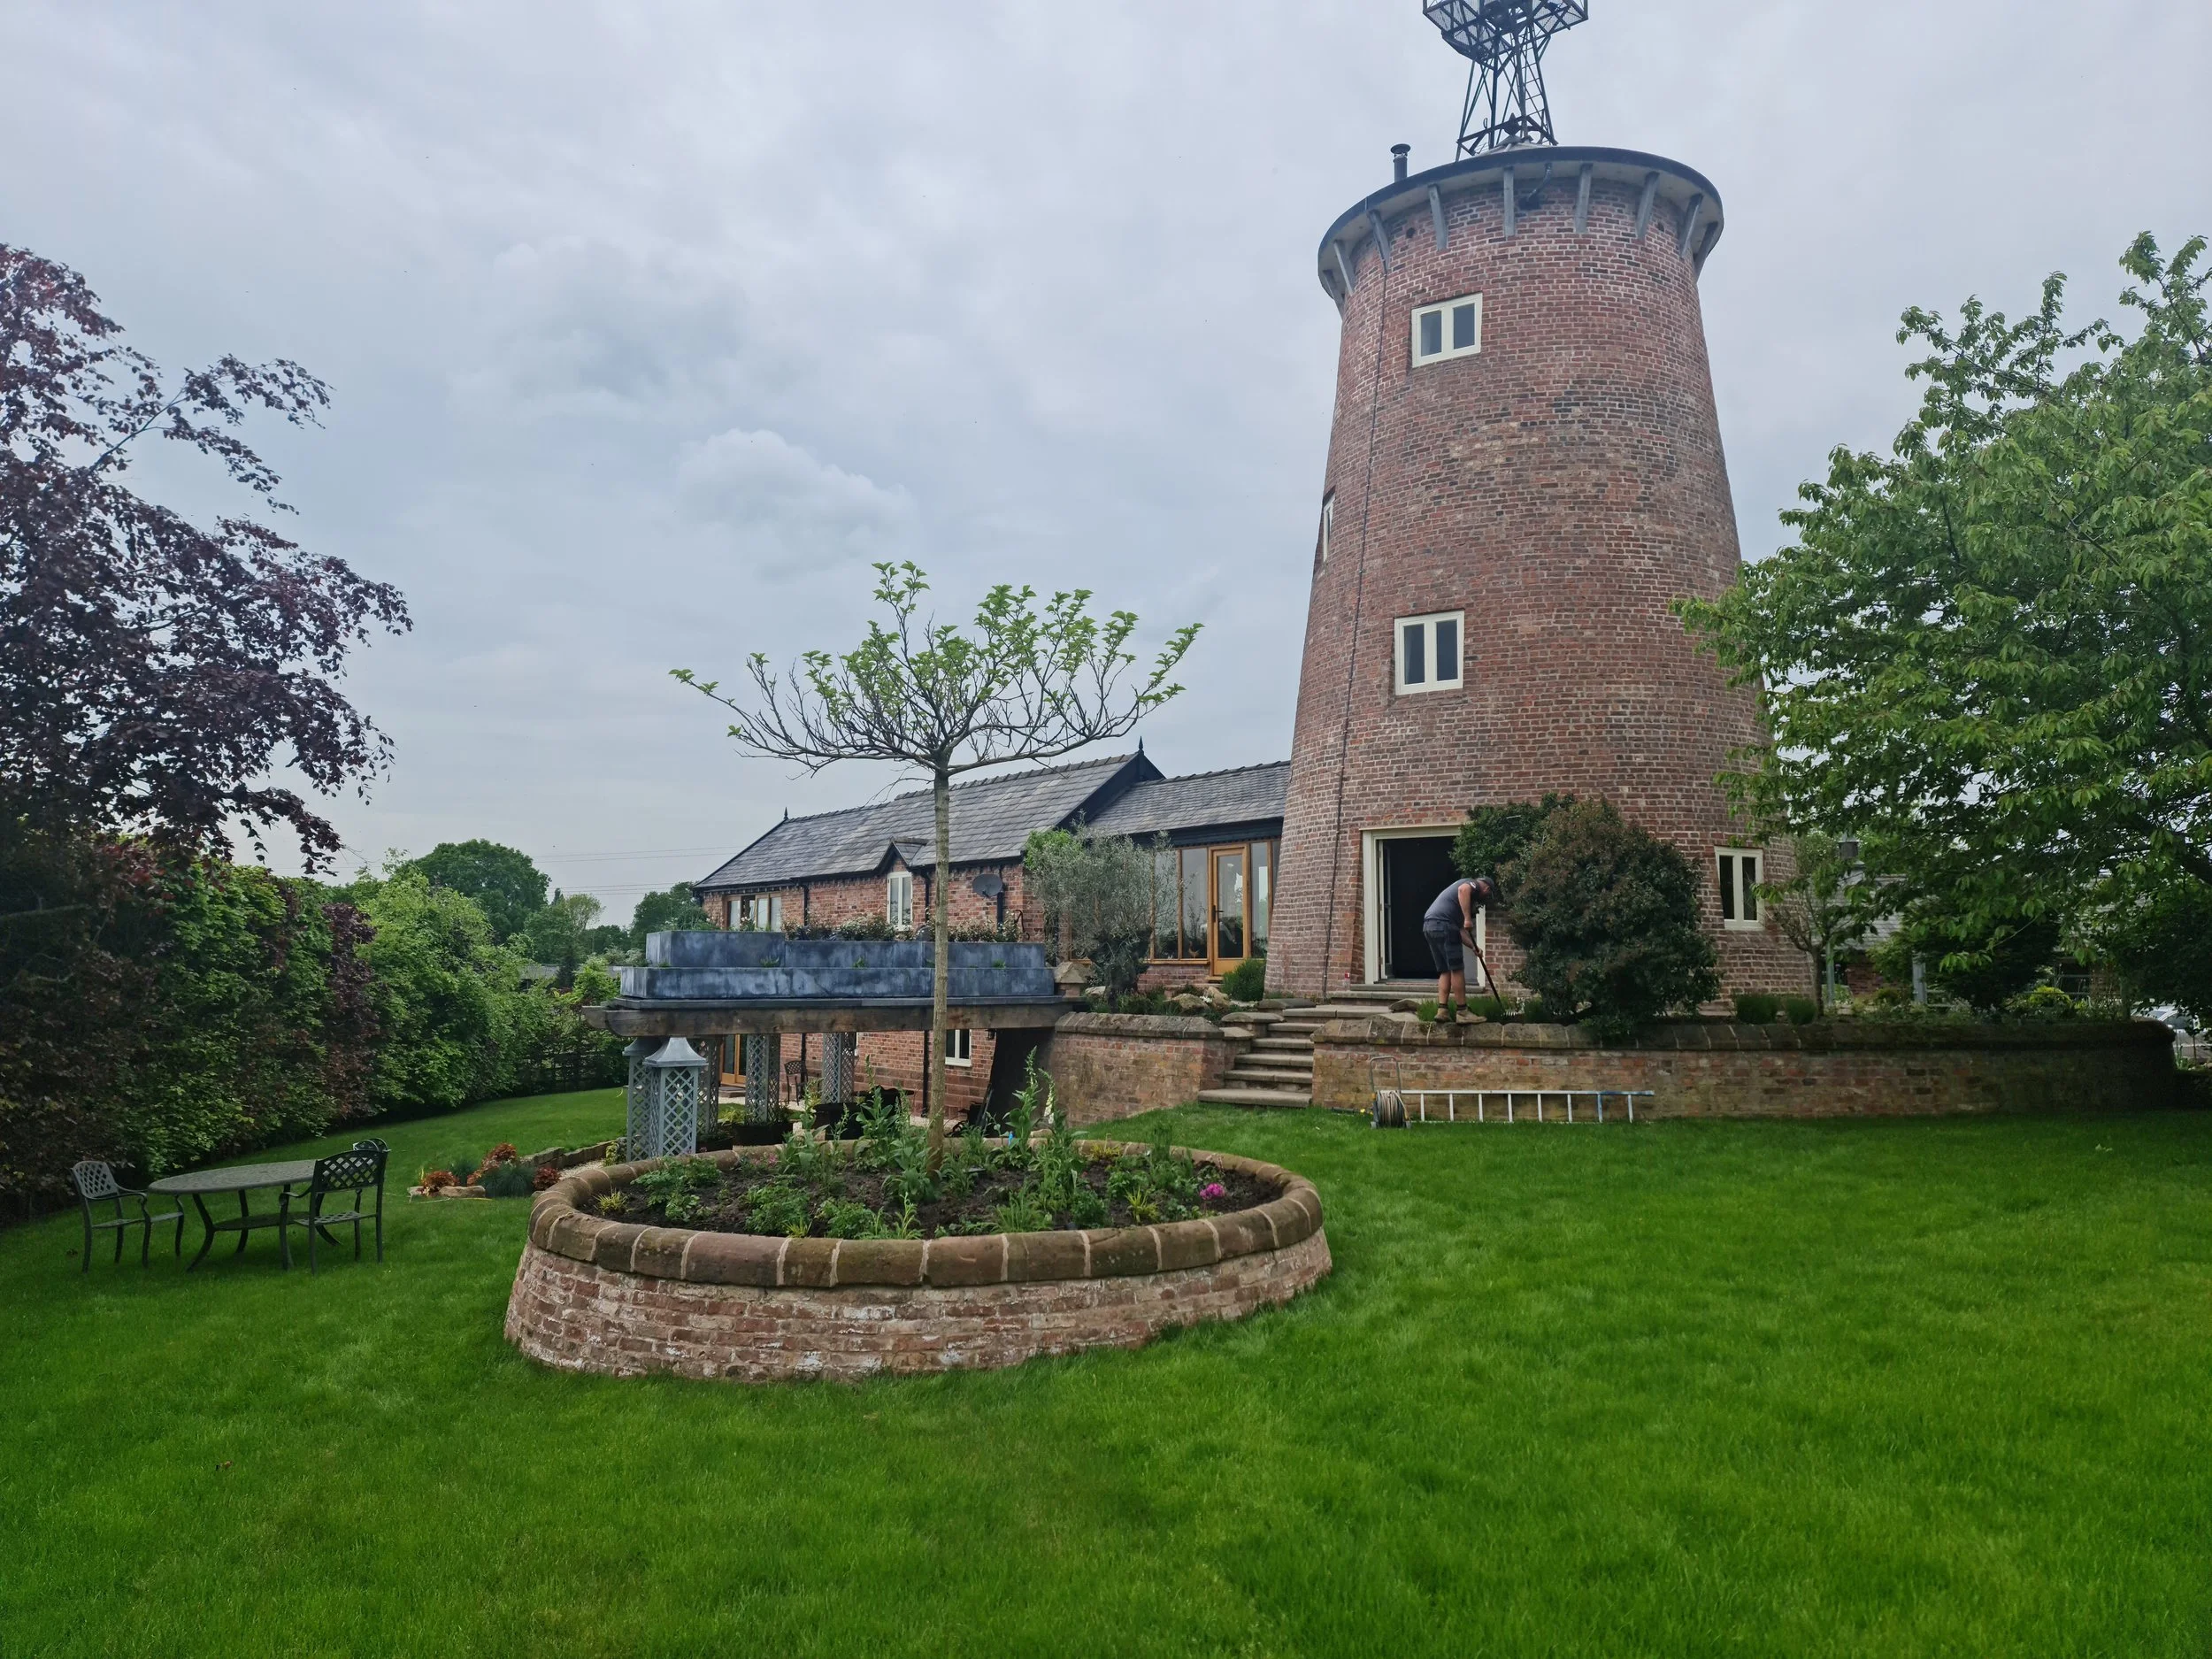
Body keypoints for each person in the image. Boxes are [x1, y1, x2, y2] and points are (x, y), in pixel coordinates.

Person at [1422, 874, 1499, 1021]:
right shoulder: (1471, 884)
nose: (1486, 897)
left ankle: (1442, 1011)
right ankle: (1462, 1012)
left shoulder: (1455, 905)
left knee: (1445, 970)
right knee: (1457, 969)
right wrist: (1468, 919)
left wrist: (1473, 947)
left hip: (1430, 926)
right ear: (1487, 888)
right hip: (1444, 926)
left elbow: (1459, 930)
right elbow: (1463, 890)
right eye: (1488, 894)